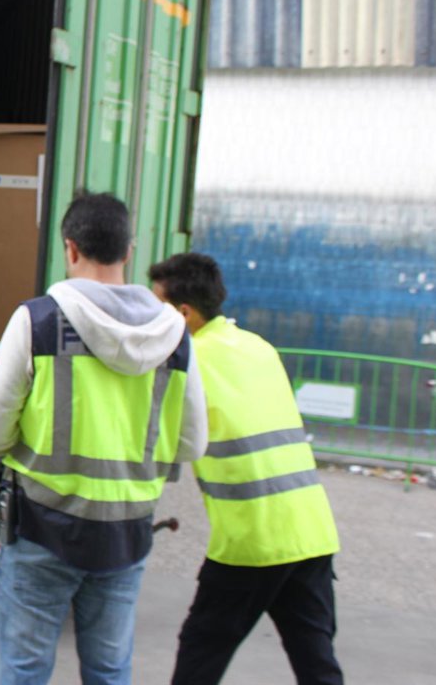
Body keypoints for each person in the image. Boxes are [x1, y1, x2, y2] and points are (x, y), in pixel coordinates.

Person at [0, 191, 207, 685]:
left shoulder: (37, 321)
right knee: (109, 672)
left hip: (41, 528)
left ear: (71, 248)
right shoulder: (175, 336)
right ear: (129, 251)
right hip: (127, 532)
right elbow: (192, 444)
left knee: (23, 672)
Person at [148, 252, 342, 685]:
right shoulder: (259, 347)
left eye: (156, 307)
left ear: (183, 313)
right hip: (310, 532)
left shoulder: (188, 362)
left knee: (201, 651)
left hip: (252, 539)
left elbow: (163, 442)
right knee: (316, 661)